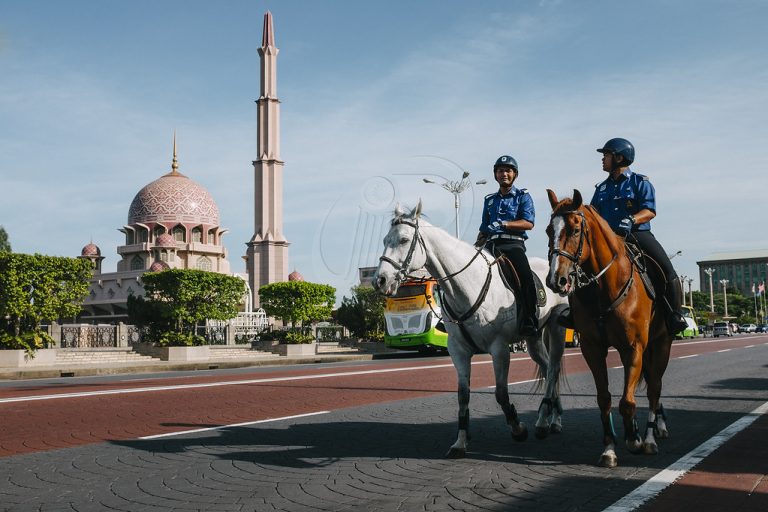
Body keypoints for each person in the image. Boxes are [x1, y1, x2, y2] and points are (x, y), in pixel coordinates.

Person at [559, 138, 687, 333]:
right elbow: (592, 214)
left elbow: (649, 210)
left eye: (606, 155)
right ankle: (574, 314)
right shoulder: (601, 188)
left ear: (619, 158)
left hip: (636, 234)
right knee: (578, 266)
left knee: (667, 270)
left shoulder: (640, 182)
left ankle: (674, 314)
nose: (603, 159)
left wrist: (632, 220)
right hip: (608, 240)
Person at [476, 155, 539, 336]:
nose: (504, 174)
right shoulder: (489, 200)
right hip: (491, 244)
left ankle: (529, 319)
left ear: (515, 175)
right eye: (500, 171)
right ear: (495, 175)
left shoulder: (523, 196)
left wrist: (505, 224)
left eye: (507, 170)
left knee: (525, 277)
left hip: (513, 245)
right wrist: (475, 245)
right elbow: (484, 229)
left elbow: (529, 223)